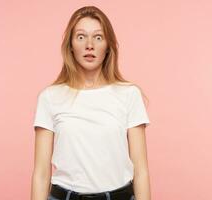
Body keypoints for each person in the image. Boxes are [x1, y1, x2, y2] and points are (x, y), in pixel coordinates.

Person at [31, 6, 151, 200]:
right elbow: (41, 173)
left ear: (108, 46)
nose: (89, 45)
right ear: (70, 45)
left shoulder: (129, 94)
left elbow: (141, 171)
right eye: (81, 37)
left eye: (98, 37)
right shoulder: (50, 97)